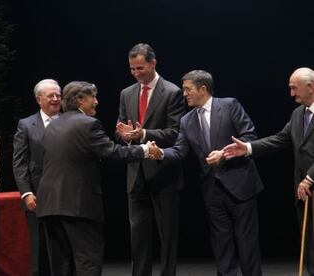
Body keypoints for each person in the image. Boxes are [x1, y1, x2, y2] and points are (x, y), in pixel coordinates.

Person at [36, 81, 157, 276]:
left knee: (61, 264)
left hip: (49, 206)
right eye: (93, 97)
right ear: (80, 100)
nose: (97, 102)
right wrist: (144, 149)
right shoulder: (88, 124)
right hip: (77, 205)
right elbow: (112, 152)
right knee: (87, 260)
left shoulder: (52, 125)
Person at [151, 70, 264, 276]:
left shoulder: (229, 105)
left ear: (202, 89)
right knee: (221, 244)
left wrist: (224, 153)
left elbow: (249, 136)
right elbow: (179, 150)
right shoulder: (187, 120)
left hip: (240, 184)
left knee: (246, 242)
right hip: (212, 190)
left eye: (187, 90)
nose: (184, 94)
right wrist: (159, 153)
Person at [223, 67, 314, 275]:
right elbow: (279, 139)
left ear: (310, 87)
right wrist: (246, 148)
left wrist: (310, 177)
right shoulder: (298, 113)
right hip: (304, 189)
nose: (291, 94)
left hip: (308, 182)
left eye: (294, 88)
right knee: (309, 240)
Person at [115, 43, 185, 276]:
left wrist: (144, 134)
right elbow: (121, 127)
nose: (136, 73)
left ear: (153, 63)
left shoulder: (173, 92)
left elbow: (175, 133)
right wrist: (124, 134)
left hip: (163, 172)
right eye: (132, 69)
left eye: (140, 68)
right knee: (138, 234)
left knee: (167, 235)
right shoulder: (127, 93)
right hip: (135, 174)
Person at [13, 79, 61, 276]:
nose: (56, 99)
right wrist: (26, 193)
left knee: (64, 245)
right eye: (51, 96)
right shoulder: (26, 125)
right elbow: (19, 163)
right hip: (37, 196)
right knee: (40, 246)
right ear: (39, 99)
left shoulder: (71, 121)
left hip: (65, 194)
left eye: (58, 95)